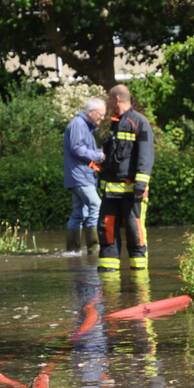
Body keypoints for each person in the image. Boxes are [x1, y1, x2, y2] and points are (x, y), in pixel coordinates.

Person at [97, 84, 154, 272]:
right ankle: (108, 277)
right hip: (110, 193)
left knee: (134, 231)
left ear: (116, 99)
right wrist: (101, 180)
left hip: (132, 192)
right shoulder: (113, 124)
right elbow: (109, 156)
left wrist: (140, 184)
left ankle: (139, 278)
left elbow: (146, 155)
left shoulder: (140, 122)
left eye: (108, 99)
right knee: (107, 230)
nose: (107, 103)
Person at [63, 97, 107, 251]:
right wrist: (99, 156)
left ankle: (72, 251)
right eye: (100, 114)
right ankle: (94, 248)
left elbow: (82, 148)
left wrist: (98, 152)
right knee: (96, 205)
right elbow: (77, 148)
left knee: (79, 213)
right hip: (80, 176)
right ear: (91, 112)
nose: (102, 118)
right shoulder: (78, 124)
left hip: (81, 175)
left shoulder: (84, 125)